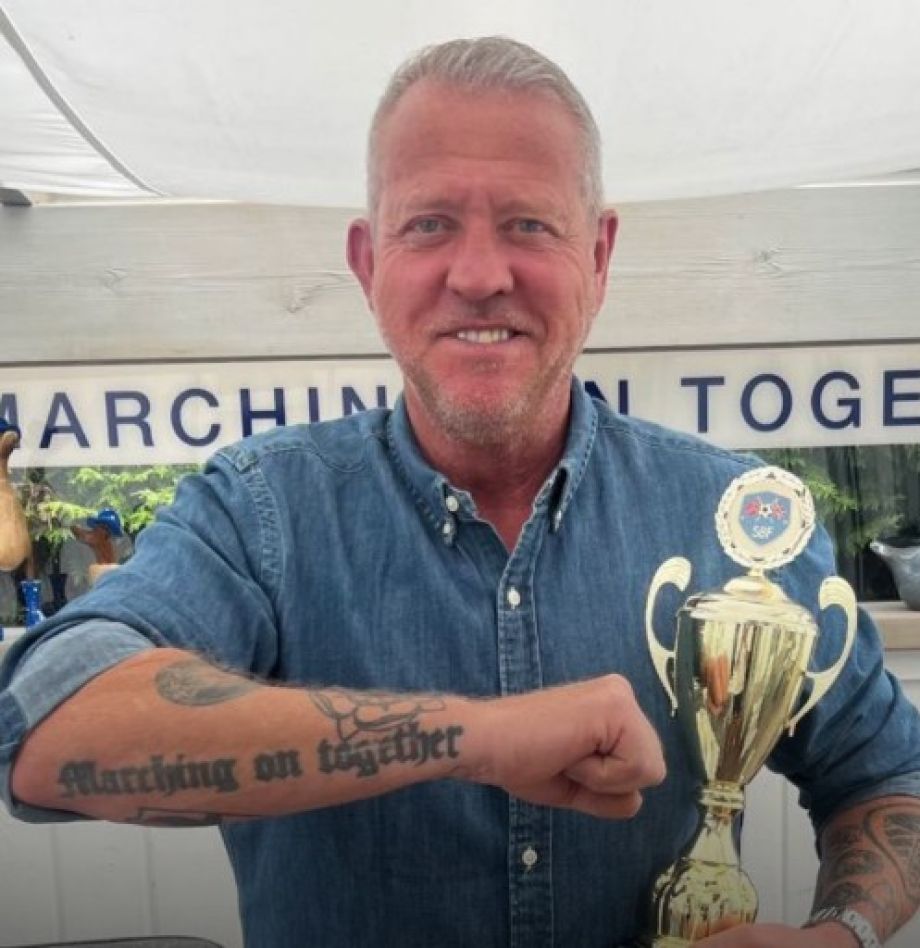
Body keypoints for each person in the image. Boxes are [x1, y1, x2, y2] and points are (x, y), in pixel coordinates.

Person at [1, 36, 919, 948]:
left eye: (529, 224)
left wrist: (842, 934)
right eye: (430, 224)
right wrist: (471, 737)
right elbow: (43, 722)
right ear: (368, 264)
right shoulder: (260, 511)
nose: (479, 276)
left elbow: (890, 774)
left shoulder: (735, 518)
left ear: (599, 256)